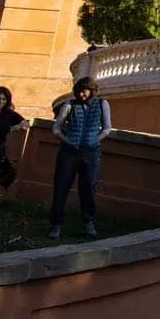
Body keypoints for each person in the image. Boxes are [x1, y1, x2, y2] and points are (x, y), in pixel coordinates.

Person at [48, 76, 113, 239]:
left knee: (88, 187)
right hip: (69, 151)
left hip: (91, 151)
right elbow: (57, 127)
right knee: (61, 186)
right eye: (78, 92)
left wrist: (94, 140)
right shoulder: (69, 105)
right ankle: (56, 224)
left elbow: (107, 128)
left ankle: (89, 223)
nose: (81, 95)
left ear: (91, 91)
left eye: (84, 92)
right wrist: (66, 140)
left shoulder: (102, 104)